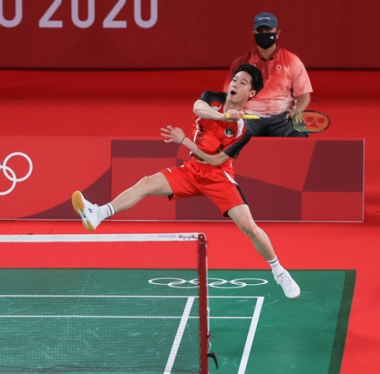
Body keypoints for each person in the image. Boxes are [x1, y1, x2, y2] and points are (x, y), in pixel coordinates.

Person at [72, 63, 300, 299]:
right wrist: (224, 115)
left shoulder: (245, 129)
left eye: (243, 83)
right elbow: (198, 108)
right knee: (147, 183)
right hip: (191, 171)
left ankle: (279, 271)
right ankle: (98, 213)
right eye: (235, 79)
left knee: (249, 227)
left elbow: (215, 161)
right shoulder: (212, 98)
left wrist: (185, 141)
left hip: (218, 177)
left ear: (251, 94)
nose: (235, 84)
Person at [224, 12, 313, 137]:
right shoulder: (241, 63)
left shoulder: (292, 60)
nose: (264, 34)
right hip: (249, 117)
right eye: (260, 31)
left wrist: (297, 111)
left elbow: (304, 95)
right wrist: (232, 111)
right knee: (228, 136)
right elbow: (229, 95)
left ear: (277, 33)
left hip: (283, 118)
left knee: (298, 135)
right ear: (253, 34)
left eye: (268, 30)